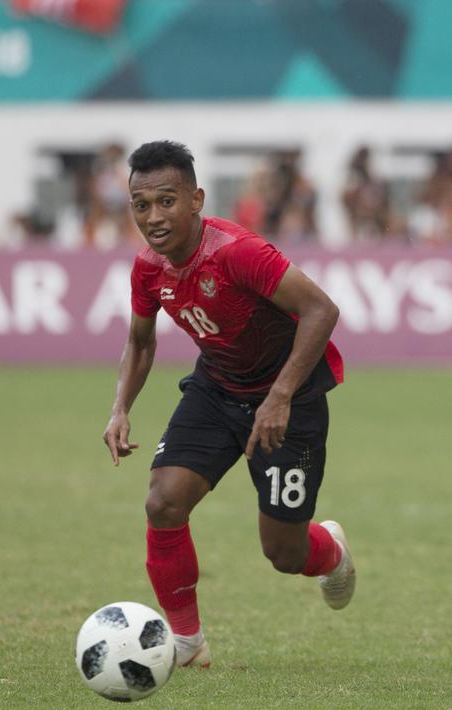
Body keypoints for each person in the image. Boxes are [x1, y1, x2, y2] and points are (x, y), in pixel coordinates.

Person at [100, 141, 356, 669]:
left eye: (166, 201)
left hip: (290, 398)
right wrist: (120, 407)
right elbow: (142, 342)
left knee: (283, 554)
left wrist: (281, 396)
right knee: (162, 502)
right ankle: (188, 645)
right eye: (141, 205)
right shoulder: (148, 268)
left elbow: (321, 311)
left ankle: (331, 551)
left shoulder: (236, 251)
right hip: (217, 389)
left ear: (196, 199)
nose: (153, 218)